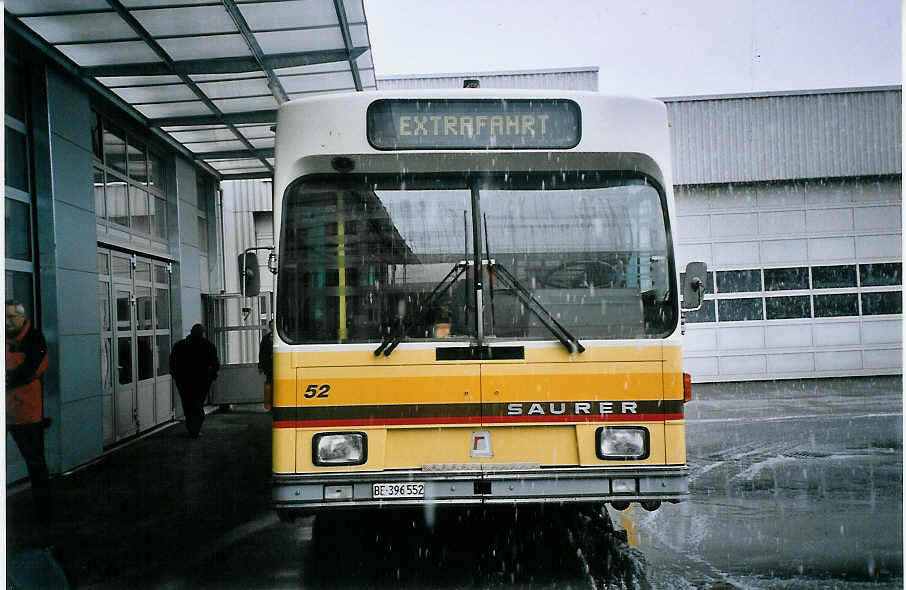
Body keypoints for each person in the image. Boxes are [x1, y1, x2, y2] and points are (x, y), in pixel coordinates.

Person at [5, 300, 51, 519]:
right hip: (8, 412)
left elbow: (33, 368)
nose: (6, 321)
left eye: (11, 316)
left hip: (26, 414)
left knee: (35, 463)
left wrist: (8, 377)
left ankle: (44, 512)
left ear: (22, 317)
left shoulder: (34, 338)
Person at [169, 324, 219, 437]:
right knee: (198, 403)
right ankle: (196, 428)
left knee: (187, 404)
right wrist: (212, 376)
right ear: (203, 333)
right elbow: (215, 364)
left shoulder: (180, 345)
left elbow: (173, 363)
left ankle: (191, 427)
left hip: (184, 381)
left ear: (191, 332)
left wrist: (176, 376)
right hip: (202, 380)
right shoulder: (208, 346)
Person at [258, 326, 273, 410]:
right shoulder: (265, 338)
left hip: (279, 366)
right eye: (271, 326)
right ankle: (270, 403)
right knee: (270, 384)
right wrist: (260, 365)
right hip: (268, 366)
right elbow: (262, 352)